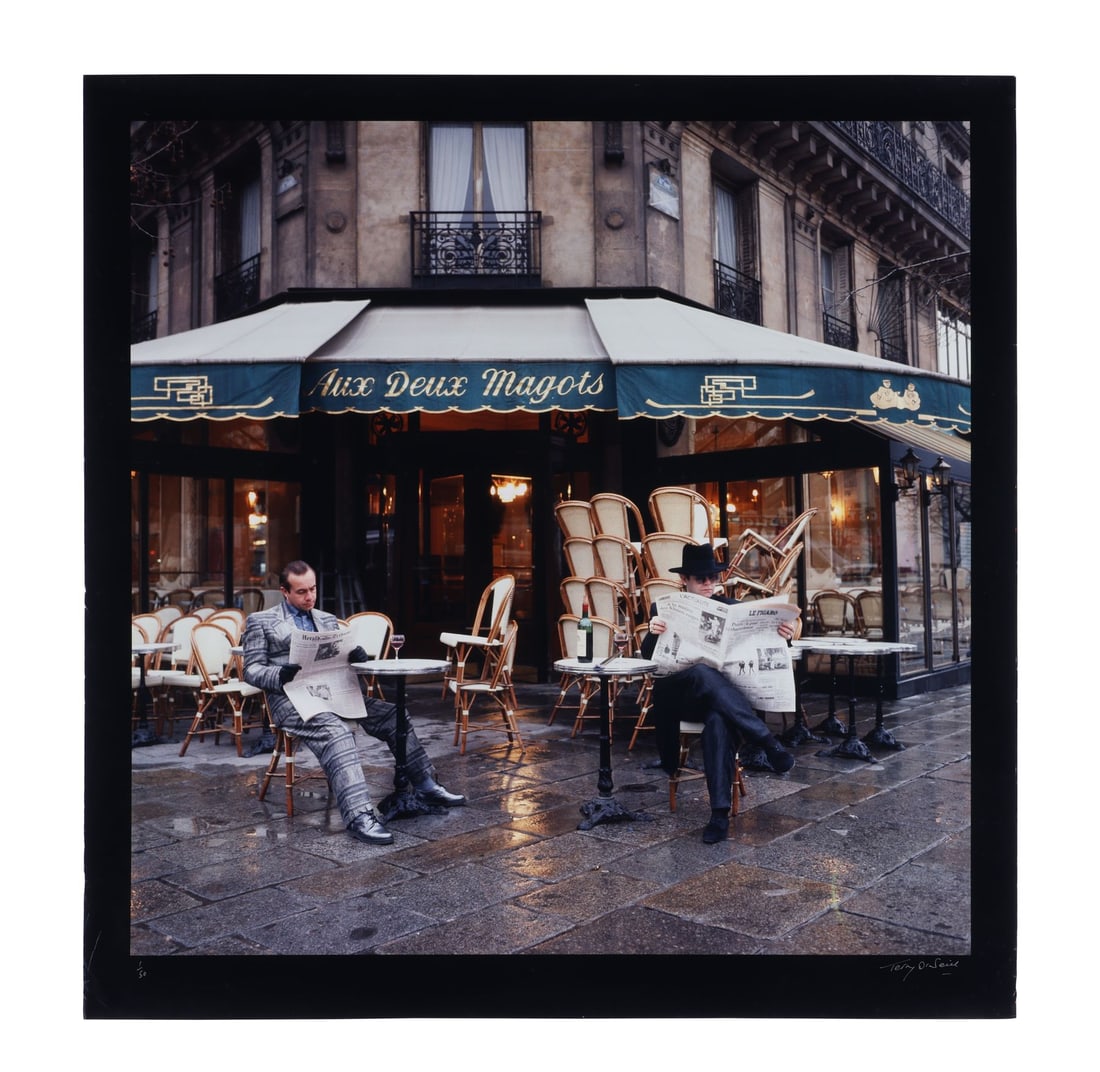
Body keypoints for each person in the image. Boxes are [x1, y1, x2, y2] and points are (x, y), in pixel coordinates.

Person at [242, 560, 465, 846]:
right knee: (337, 732)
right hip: (291, 701)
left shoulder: (326, 619)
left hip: (333, 693)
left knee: (393, 714)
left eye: (313, 589)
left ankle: (425, 784)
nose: (310, 597)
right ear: (285, 591)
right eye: (301, 592)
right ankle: (359, 815)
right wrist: (278, 674)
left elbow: (338, 658)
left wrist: (355, 657)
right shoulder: (261, 621)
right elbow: (251, 670)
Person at [640, 543, 797, 844]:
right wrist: (652, 633)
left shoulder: (731, 609)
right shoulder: (663, 609)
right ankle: (766, 740)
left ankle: (719, 815)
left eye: (713, 578)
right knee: (701, 672)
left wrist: (784, 636)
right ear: (684, 579)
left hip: (720, 701)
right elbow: (648, 658)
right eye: (701, 579)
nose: (709, 584)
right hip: (680, 697)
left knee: (718, 720)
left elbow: (763, 644)